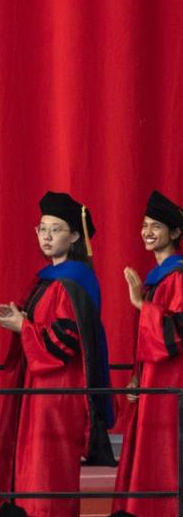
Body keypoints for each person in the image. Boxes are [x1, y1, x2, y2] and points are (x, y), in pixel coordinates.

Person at [0, 191, 115, 517]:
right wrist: (20, 319)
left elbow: (65, 342)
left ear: (74, 235)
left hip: (58, 391)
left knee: (47, 468)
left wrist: (23, 328)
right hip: (39, 387)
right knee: (33, 463)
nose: (46, 236)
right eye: (41, 228)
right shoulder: (50, 278)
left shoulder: (74, 281)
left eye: (55, 229)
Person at [112, 190, 183, 516]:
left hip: (173, 381)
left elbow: (177, 331)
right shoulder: (160, 277)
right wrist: (137, 376)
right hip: (153, 378)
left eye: (156, 226)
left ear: (176, 233)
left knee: (165, 449)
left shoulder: (178, 276)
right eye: (144, 225)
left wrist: (142, 304)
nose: (148, 232)